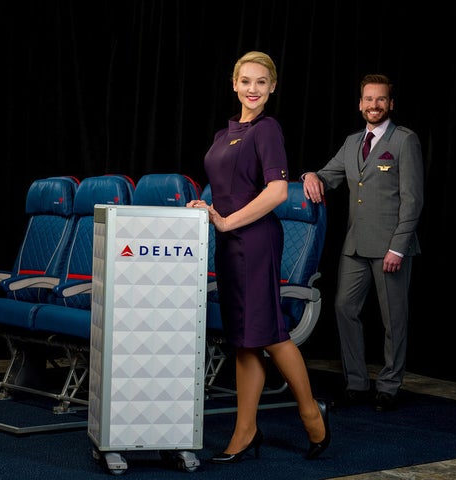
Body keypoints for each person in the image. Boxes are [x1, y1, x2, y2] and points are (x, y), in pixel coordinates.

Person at [187, 51, 330, 462]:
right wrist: (205, 208)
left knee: (268, 333)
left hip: (255, 240)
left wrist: (228, 222)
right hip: (229, 243)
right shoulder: (223, 135)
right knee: (245, 340)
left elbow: (277, 192)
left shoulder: (267, 130)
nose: (253, 89)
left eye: (261, 82)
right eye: (246, 81)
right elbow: (225, 188)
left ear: (272, 88)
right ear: (234, 84)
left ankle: (309, 413)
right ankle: (245, 430)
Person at [301, 74, 424, 412]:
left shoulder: (404, 141)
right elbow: (328, 176)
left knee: (393, 319)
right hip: (355, 245)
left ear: (390, 104)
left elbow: (413, 200)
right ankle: (356, 383)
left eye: (380, 100)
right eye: (368, 99)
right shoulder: (353, 141)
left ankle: (388, 386)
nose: (374, 105)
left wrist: (398, 247)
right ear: (360, 104)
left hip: (390, 247)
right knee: (344, 309)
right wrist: (310, 176)